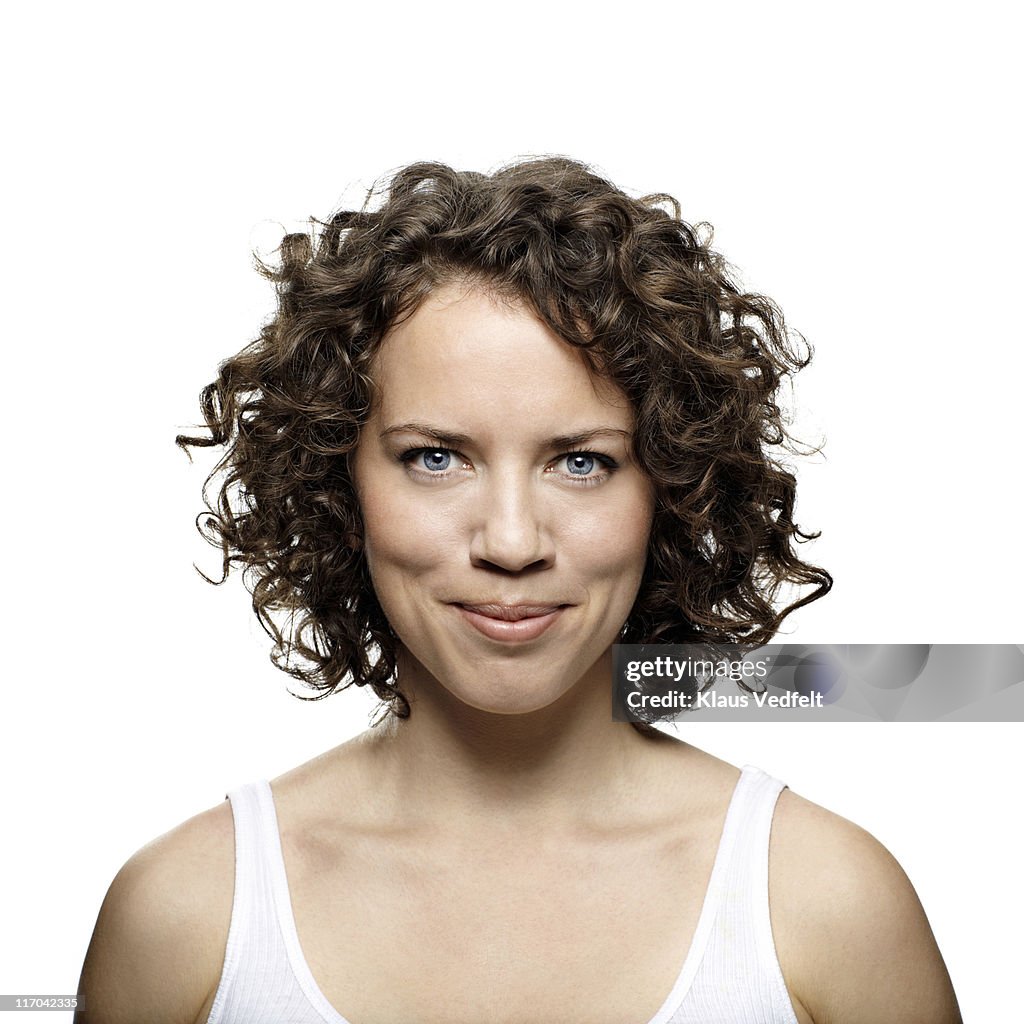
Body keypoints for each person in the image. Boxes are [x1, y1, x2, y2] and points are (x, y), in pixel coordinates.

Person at [75, 158, 962, 1024]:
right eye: (435, 458)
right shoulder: (186, 919)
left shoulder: (828, 906)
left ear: (672, 485)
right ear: (339, 484)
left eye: (582, 462)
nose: (510, 542)